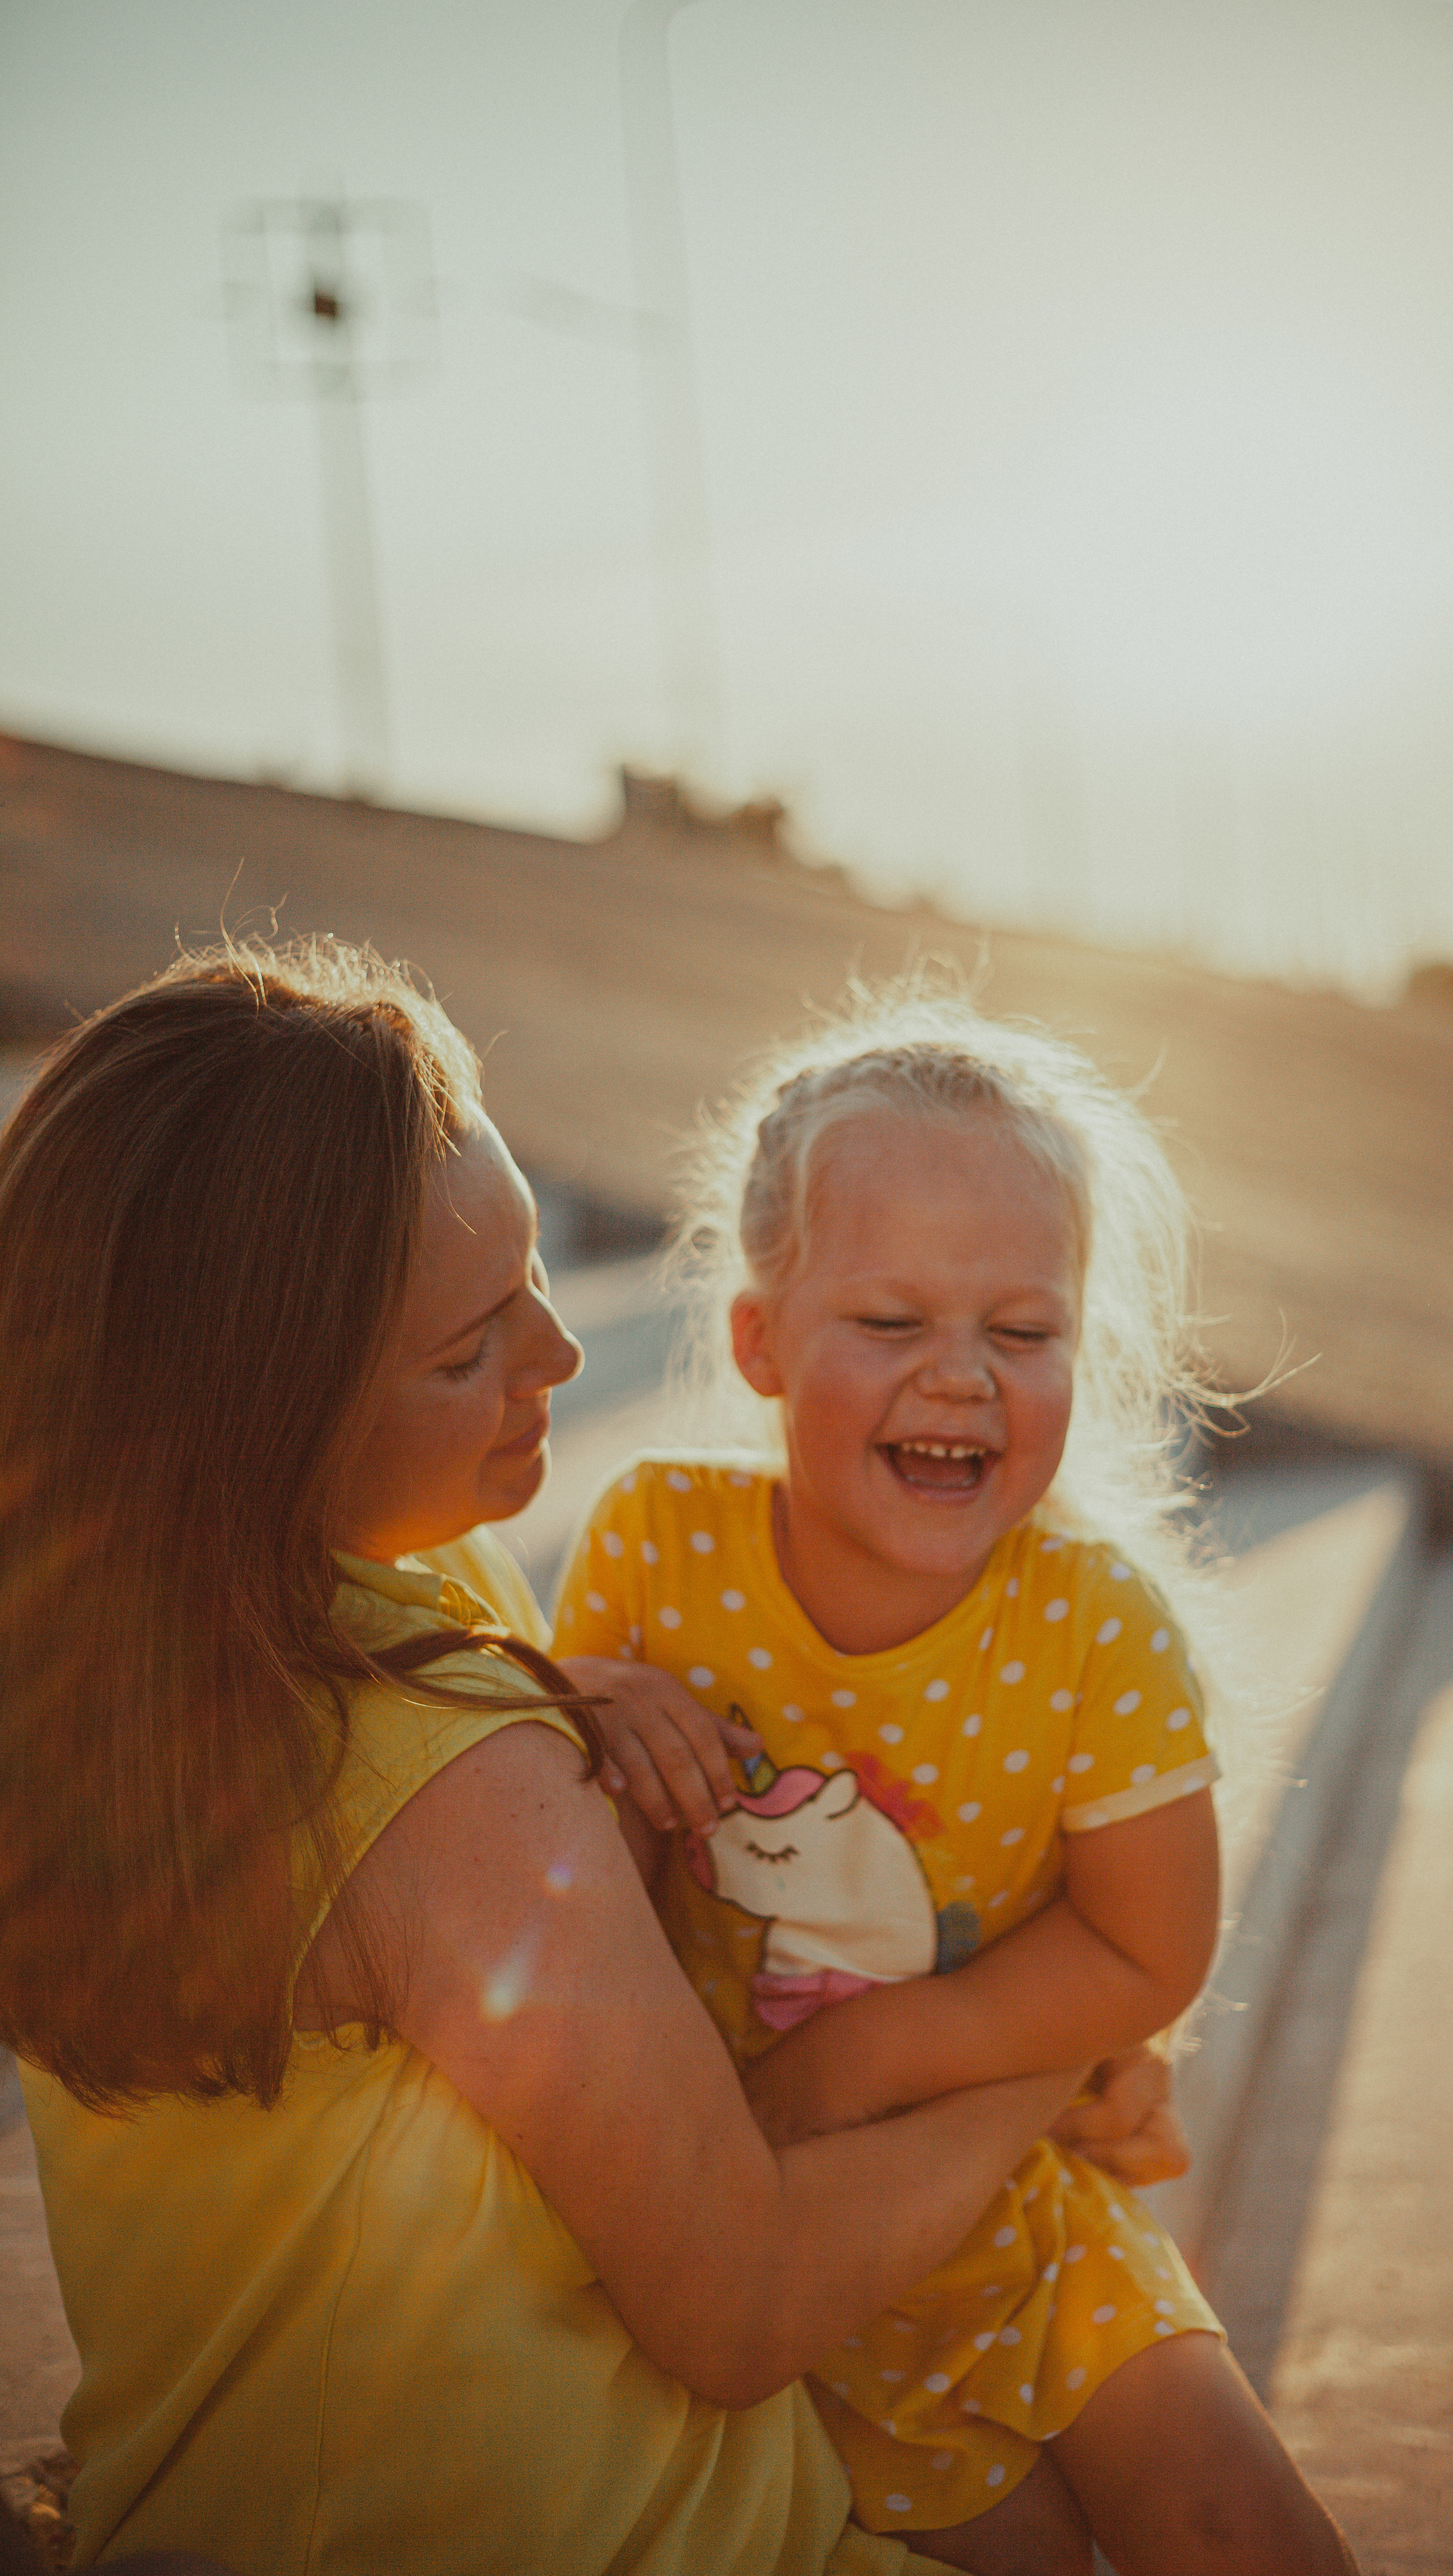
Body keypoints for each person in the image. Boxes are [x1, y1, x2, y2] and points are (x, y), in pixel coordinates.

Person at [0, 939, 1165, 2576]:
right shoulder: (439, 1779)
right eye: (466, 1349)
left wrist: (564, 1688)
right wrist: (1045, 2062)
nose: (554, 1355)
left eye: (533, 1274)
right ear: (267, 1417)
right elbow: (742, 2301)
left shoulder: (146, 1670)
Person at [552, 991, 1357, 2576]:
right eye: (890, 1322)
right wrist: (573, 1698)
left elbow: (1146, 1948)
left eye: (1021, 1332)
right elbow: (567, 1857)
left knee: (1240, 2527)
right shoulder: (654, 1542)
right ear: (758, 1342)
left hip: (1010, 2216)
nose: (960, 1377)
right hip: (741, 2239)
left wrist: (873, 2054)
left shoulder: (1092, 1624)